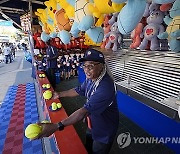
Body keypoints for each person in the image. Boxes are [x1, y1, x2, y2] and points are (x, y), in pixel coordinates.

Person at [34, 49, 119, 154]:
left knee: (98, 151)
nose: (86, 69)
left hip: (104, 130)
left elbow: (84, 111)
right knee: (88, 147)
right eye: (85, 65)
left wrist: (57, 126)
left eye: (91, 66)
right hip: (92, 122)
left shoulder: (105, 87)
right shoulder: (92, 78)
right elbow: (79, 90)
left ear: (101, 66)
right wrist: (59, 94)